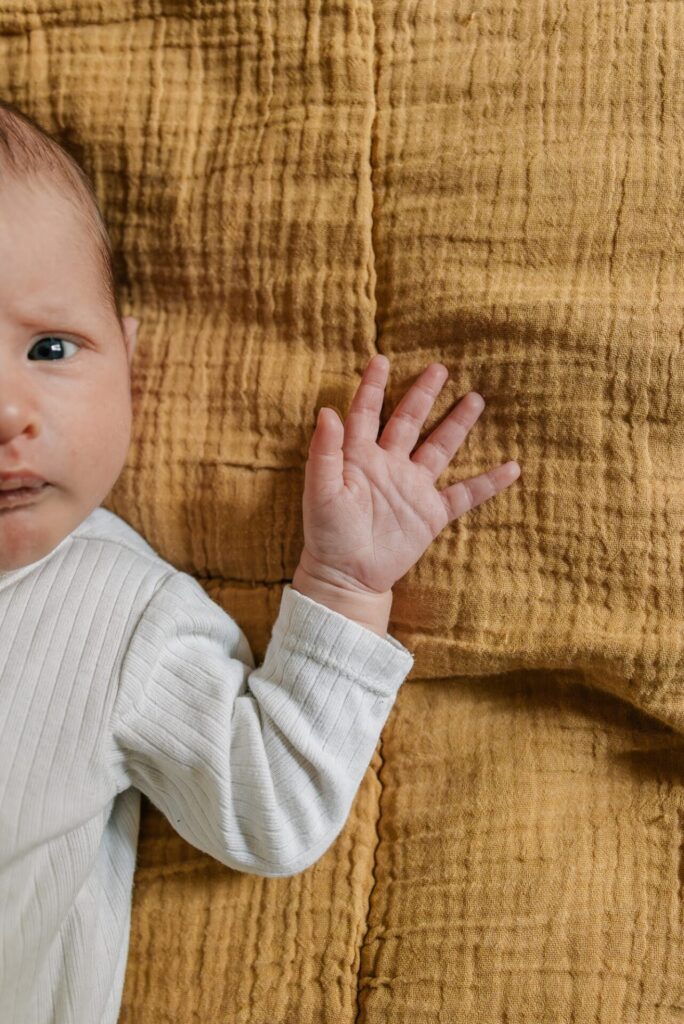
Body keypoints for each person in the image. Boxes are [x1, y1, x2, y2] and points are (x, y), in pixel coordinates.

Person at [0, 99, 521, 1023]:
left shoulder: (114, 615)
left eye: (50, 348)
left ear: (128, 357)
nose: (9, 413)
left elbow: (269, 806)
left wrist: (346, 585)